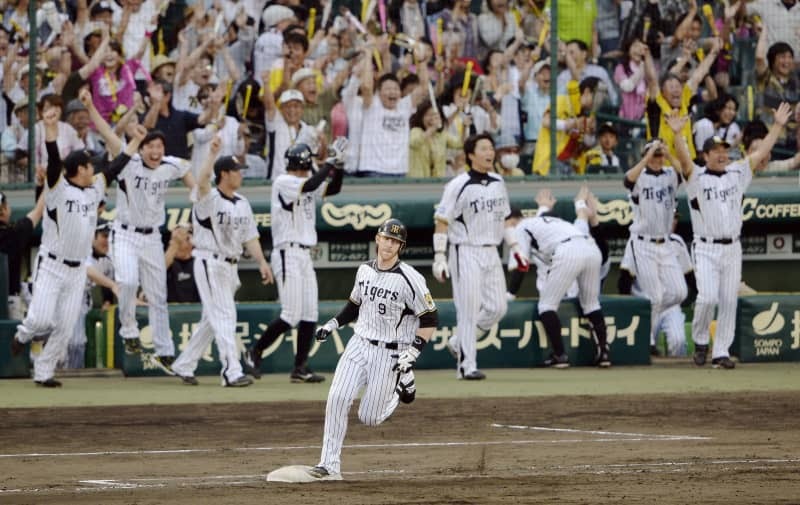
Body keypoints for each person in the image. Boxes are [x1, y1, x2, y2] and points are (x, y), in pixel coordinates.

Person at [10, 110, 145, 387]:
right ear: (78, 170)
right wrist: (50, 129)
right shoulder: (58, 188)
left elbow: (115, 166)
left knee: (66, 325)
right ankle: (24, 333)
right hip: (52, 264)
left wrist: (134, 144)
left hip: (77, 270)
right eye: (88, 164)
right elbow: (53, 160)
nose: (92, 168)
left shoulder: (94, 188)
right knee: (41, 319)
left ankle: (44, 371)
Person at [305, 218, 438, 480]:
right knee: (337, 398)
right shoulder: (364, 269)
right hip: (359, 343)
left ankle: (400, 388)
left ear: (401, 247)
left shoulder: (410, 278)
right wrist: (332, 324)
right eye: (386, 238)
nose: (389, 244)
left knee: (370, 417)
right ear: (377, 239)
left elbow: (430, 318)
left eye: (395, 241)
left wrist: (412, 353)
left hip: (390, 353)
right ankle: (329, 465)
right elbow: (354, 305)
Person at [668, 103, 793, 369]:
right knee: (707, 298)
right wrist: (678, 135)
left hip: (732, 247)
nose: (722, 154)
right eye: (716, 150)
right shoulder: (696, 176)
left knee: (728, 300)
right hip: (705, 247)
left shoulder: (737, 172)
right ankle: (701, 340)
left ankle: (720, 351)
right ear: (706, 155)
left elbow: (760, 153)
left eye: (725, 149)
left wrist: (778, 126)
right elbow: (684, 160)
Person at [171, 140, 274, 387]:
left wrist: (262, 262)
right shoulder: (209, 198)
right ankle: (231, 371)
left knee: (212, 319)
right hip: (209, 261)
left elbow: (251, 237)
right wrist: (212, 154)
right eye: (237, 171)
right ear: (224, 174)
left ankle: (184, 364)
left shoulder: (242, 202)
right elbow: (203, 181)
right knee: (226, 314)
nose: (240, 175)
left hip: (230, 265)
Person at [245, 139, 346, 382]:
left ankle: (300, 367)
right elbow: (312, 182)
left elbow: (332, 189)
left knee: (310, 312)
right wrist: (330, 161)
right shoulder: (284, 181)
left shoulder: (306, 182)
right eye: (308, 160)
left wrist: (339, 166)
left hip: (304, 254)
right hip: (287, 251)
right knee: (291, 314)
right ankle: (254, 352)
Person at [433, 133, 525, 380]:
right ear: (471, 154)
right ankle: (466, 366)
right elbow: (441, 220)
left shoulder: (498, 181)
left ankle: (457, 342)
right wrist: (439, 256)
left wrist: (516, 249)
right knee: (468, 309)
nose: (489, 152)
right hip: (466, 250)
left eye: (491, 148)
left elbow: (505, 219)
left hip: (492, 251)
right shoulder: (457, 184)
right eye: (483, 148)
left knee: (498, 307)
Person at [112, 129, 196, 372]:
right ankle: (128, 329)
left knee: (158, 295)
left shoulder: (171, 164)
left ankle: (165, 351)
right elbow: (109, 135)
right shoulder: (130, 163)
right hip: (126, 233)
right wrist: (91, 107)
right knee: (127, 281)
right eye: (151, 146)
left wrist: (191, 220)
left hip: (152, 236)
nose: (156, 151)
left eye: (159, 146)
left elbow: (196, 190)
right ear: (141, 148)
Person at [511, 188, 611, 368]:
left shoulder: (521, 226)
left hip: (567, 252)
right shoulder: (560, 224)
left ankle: (560, 355)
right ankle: (603, 353)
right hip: (589, 248)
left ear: (510, 220)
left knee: (546, 306)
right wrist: (581, 201)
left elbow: (522, 263)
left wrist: (510, 294)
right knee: (591, 304)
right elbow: (581, 216)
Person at [619, 138, 686, 358]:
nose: (656, 158)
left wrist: (668, 154)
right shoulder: (640, 177)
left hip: (665, 242)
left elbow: (686, 172)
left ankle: (646, 315)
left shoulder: (669, 173)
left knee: (679, 292)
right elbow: (626, 180)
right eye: (653, 155)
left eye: (658, 155)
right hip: (643, 243)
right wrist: (647, 156)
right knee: (655, 296)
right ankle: (646, 341)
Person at [619, 211, 696, 357]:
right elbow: (624, 280)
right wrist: (630, 308)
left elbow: (690, 278)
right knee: (644, 349)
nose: (673, 221)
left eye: (675, 218)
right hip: (645, 306)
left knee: (678, 341)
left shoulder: (677, 242)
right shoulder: (636, 241)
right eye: (670, 217)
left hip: (670, 306)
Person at [65, 219, 119, 368]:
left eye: (110, 236)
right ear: (92, 236)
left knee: (76, 343)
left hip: (79, 299)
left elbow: (112, 280)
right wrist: (112, 285)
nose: (107, 241)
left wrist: (107, 300)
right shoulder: (81, 250)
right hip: (59, 296)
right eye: (104, 236)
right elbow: (89, 272)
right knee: (41, 332)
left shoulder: (109, 258)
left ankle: (73, 378)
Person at [0, 188, 45, 320]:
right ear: (3, 211)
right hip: (9, 303)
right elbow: (39, 210)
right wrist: (47, 184)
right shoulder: (13, 233)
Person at [165, 224, 200, 303]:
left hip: (197, 311)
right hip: (171, 312)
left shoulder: (199, 262)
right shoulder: (168, 262)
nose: (177, 239)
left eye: (181, 236)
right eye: (174, 238)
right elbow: (158, 272)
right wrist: (174, 244)